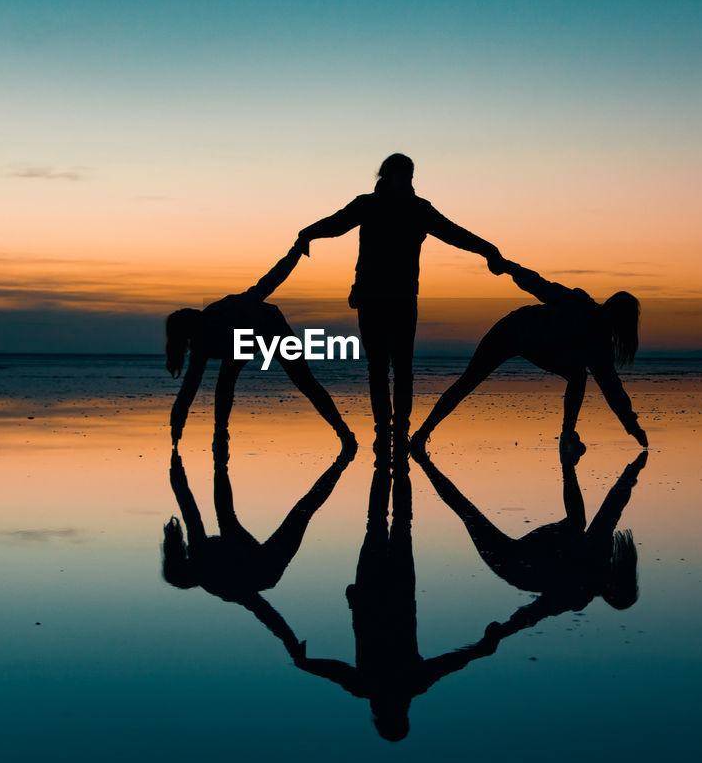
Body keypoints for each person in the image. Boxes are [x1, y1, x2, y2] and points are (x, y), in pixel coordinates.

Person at [295, 154, 504, 451]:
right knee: (378, 368)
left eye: (410, 174)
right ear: (387, 175)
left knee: (402, 368)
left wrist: (488, 250)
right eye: (403, 174)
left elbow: (454, 233)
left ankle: (400, 431)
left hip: (403, 297)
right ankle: (383, 432)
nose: (408, 180)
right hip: (371, 297)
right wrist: (308, 233)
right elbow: (337, 223)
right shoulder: (368, 204)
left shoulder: (419, 209)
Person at [290, 457, 502, 741]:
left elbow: (450, 663)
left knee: (394, 523)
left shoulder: (395, 684)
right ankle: (392, 462)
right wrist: (481, 648)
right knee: (382, 523)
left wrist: (482, 648)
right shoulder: (384, 685)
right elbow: (451, 662)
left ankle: (394, 462)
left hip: (386, 593)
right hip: (382, 594)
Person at [411, 261, 648, 455]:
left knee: (577, 375)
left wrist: (631, 425)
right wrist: (507, 266)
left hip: (537, 346)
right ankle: (421, 435)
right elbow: (540, 286)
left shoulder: (600, 345)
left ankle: (567, 436)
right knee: (468, 382)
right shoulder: (579, 304)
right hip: (511, 329)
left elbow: (610, 386)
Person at [414, 447, 646, 637]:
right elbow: (611, 509)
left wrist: (503, 632)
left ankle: (423, 462)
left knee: (466, 512)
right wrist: (632, 472)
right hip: (537, 551)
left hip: (513, 564)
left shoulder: (577, 594)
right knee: (576, 523)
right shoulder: (599, 557)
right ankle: (567, 459)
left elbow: (535, 613)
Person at [161, 445, 355, 655]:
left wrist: (175, 467)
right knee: (303, 510)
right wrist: (290, 642)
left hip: (243, 551)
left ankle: (220, 456)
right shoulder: (219, 585)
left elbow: (189, 509)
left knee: (226, 517)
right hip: (267, 567)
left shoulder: (198, 552)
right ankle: (342, 462)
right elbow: (263, 611)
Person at [166, 245, 355, 451]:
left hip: (272, 327)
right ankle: (221, 434)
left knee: (305, 382)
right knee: (226, 381)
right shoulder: (201, 342)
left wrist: (295, 253)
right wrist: (177, 423)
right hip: (244, 339)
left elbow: (270, 281)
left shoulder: (226, 311)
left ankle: (344, 433)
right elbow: (190, 385)